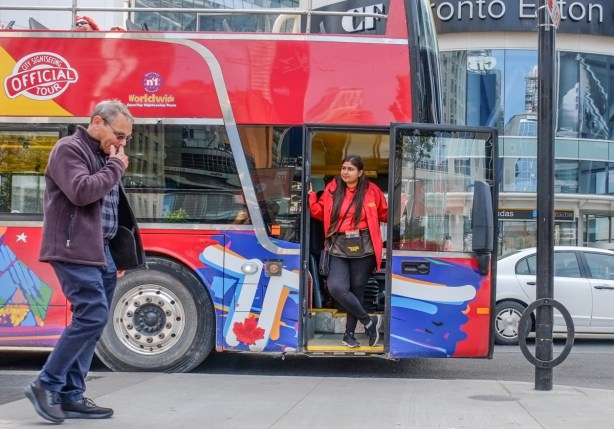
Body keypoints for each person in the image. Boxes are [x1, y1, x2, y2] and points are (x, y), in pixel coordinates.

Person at [24, 100, 145, 423]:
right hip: (72, 247)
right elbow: (80, 192)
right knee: (92, 315)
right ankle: (45, 384)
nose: (121, 144)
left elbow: (109, 208)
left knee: (95, 320)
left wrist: (115, 252)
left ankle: (71, 395)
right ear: (97, 122)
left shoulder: (102, 156)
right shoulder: (69, 149)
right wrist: (116, 166)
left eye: (126, 139)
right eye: (119, 135)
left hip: (98, 249)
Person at [309, 155, 387, 348]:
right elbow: (319, 212)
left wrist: (401, 207)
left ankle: (349, 335)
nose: (345, 172)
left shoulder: (372, 191)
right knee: (336, 287)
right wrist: (311, 197)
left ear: (360, 173)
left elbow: (384, 214)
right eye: (343, 168)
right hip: (338, 244)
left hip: (365, 245)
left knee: (356, 290)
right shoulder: (332, 189)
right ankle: (369, 322)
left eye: (350, 169)